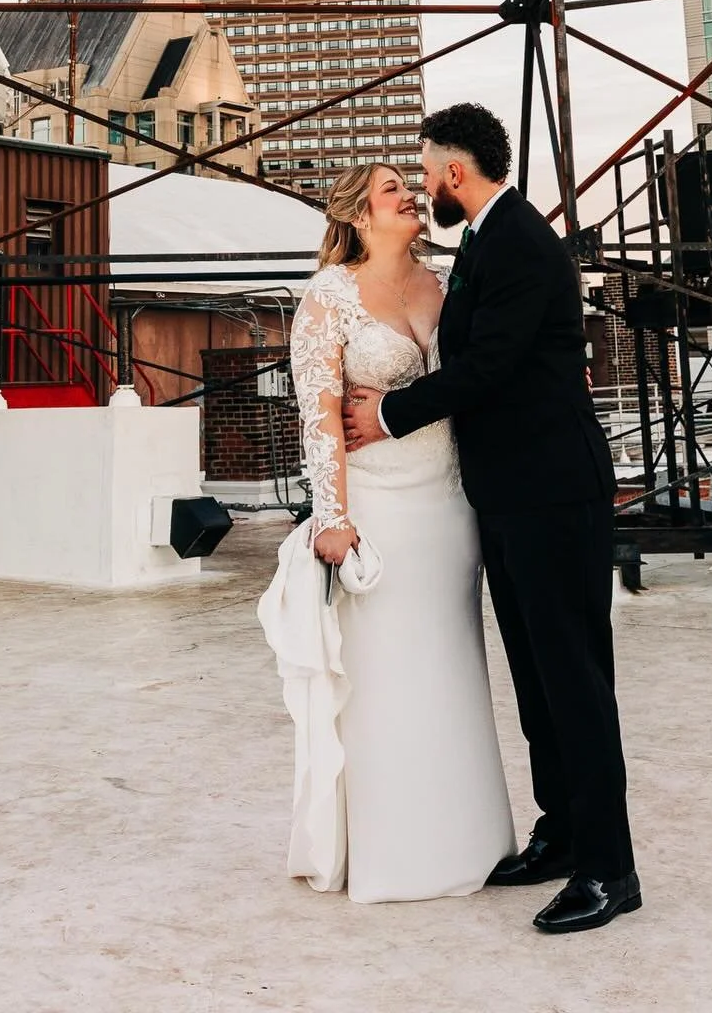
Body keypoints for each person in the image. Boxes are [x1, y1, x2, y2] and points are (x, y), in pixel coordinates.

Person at [344, 103, 641, 936]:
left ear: (455, 171)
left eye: (427, 167)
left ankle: (609, 870)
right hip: (510, 496)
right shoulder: (482, 239)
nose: (423, 181)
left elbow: (486, 369)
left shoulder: (517, 243)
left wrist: (392, 414)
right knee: (539, 678)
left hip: (553, 494)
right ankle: (562, 830)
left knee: (574, 680)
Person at [259, 160, 516, 903]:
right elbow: (319, 418)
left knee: (450, 668)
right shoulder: (329, 297)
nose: (410, 195)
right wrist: (331, 519)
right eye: (391, 190)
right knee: (384, 681)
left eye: (411, 185)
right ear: (359, 217)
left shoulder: (445, 285)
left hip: (449, 506)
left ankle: (470, 839)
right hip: (376, 510)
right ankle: (395, 851)